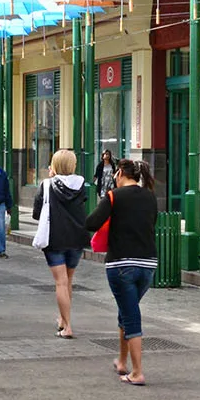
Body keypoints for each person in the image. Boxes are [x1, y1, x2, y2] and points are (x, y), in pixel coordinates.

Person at [85, 158, 158, 385]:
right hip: (148, 264)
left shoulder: (114, 196)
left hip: (121, 264)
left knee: (131, 316)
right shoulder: (150, 196)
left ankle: (137, 372)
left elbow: (91, 223)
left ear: (119, 173)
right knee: (126, 311)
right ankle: (122, 361)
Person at [31, 149, 88, 338]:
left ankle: (68, 327)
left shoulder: (46, 185)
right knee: (68, 280)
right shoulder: (81, 185)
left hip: (54, 238)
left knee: (60, 283)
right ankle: (63, 319)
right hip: (77, 237)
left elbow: (36, 214)